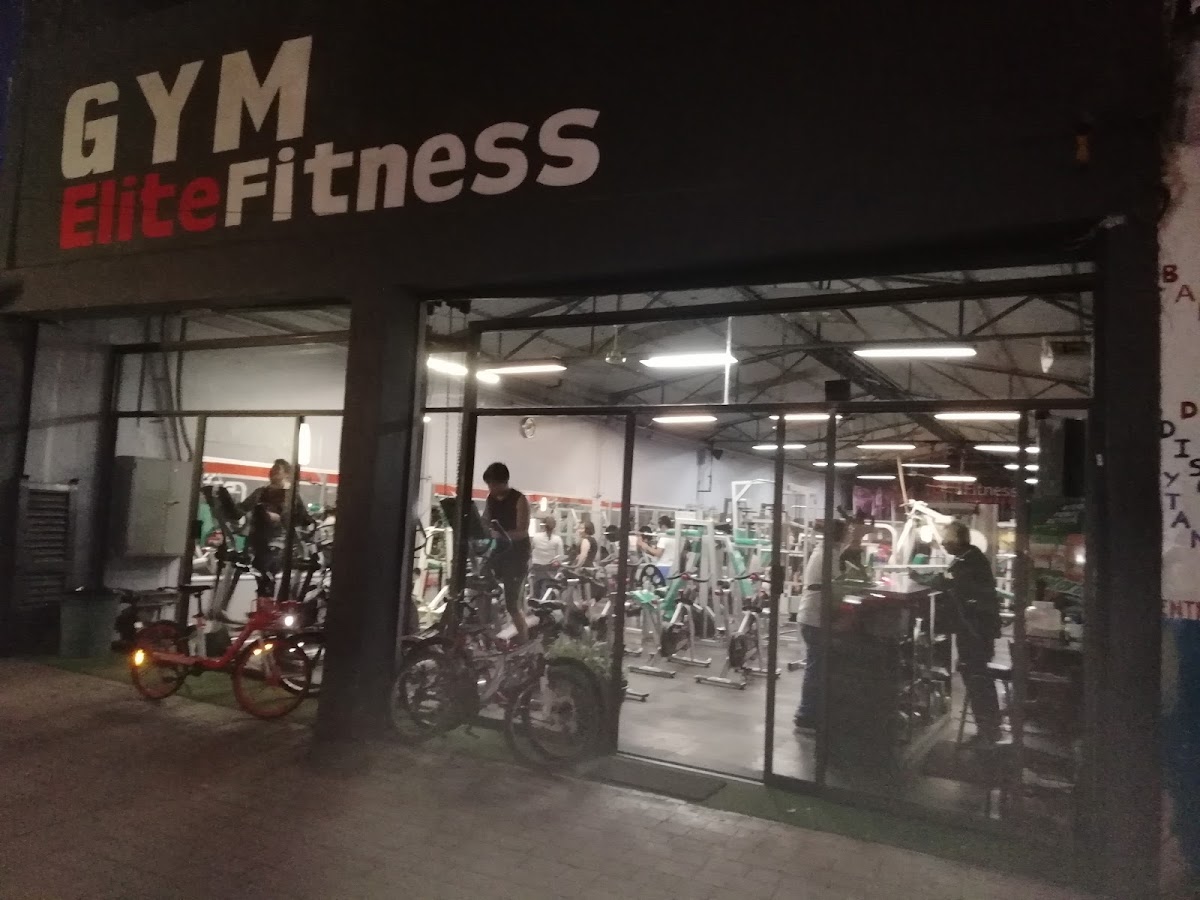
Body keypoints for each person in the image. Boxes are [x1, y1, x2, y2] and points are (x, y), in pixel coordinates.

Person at [918, 521, 1003, 745]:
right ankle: (988, 728)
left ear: (958, 540)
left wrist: (919, 577)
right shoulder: (968, 557)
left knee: (977, 677)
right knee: (976, 676)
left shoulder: (969, 561)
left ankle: (989, 730)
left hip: (976, 630)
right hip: (974, 628)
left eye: (947, 539)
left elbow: (950, 583)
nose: (943, 543)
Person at [794, 519, 848, 731]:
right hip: (815, 618)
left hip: (814, 616)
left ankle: (813, 712)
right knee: (816, 669)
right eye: (848, 533)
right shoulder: (826, 554)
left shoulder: (828, 552)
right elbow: (835, 585)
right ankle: (806, 715)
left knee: (817, 667)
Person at [240, 459, 313, 588]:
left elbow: (304, 519)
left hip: (278, 544)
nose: (273, 473)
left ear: (286, 474)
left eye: (277, 470)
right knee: (262, 578)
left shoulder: (291, 496)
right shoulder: (260, 493)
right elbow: (241, 509)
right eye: (272, 470)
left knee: (268, 575)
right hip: (258, 543)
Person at [482, 462, 532, 643]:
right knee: (481, 589)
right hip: (499, 553)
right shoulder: (490, 498)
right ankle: (491, 635)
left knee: (512, 605)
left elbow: (522, 532)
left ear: (503, 482)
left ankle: (525, 641)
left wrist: (501, 535)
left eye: (493, 484)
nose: (490, 488)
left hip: (517, 555)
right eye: (489, 485)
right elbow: (485, 520)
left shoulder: (519, 500)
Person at [529, 516, 564, 600]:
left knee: (532, 580)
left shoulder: (536, 537)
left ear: (543, 525)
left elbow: (529, 551)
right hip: (550, 570)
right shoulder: (557, 539)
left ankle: (532, 595)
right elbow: (560, 556)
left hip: (536, 568)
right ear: (554, 526)